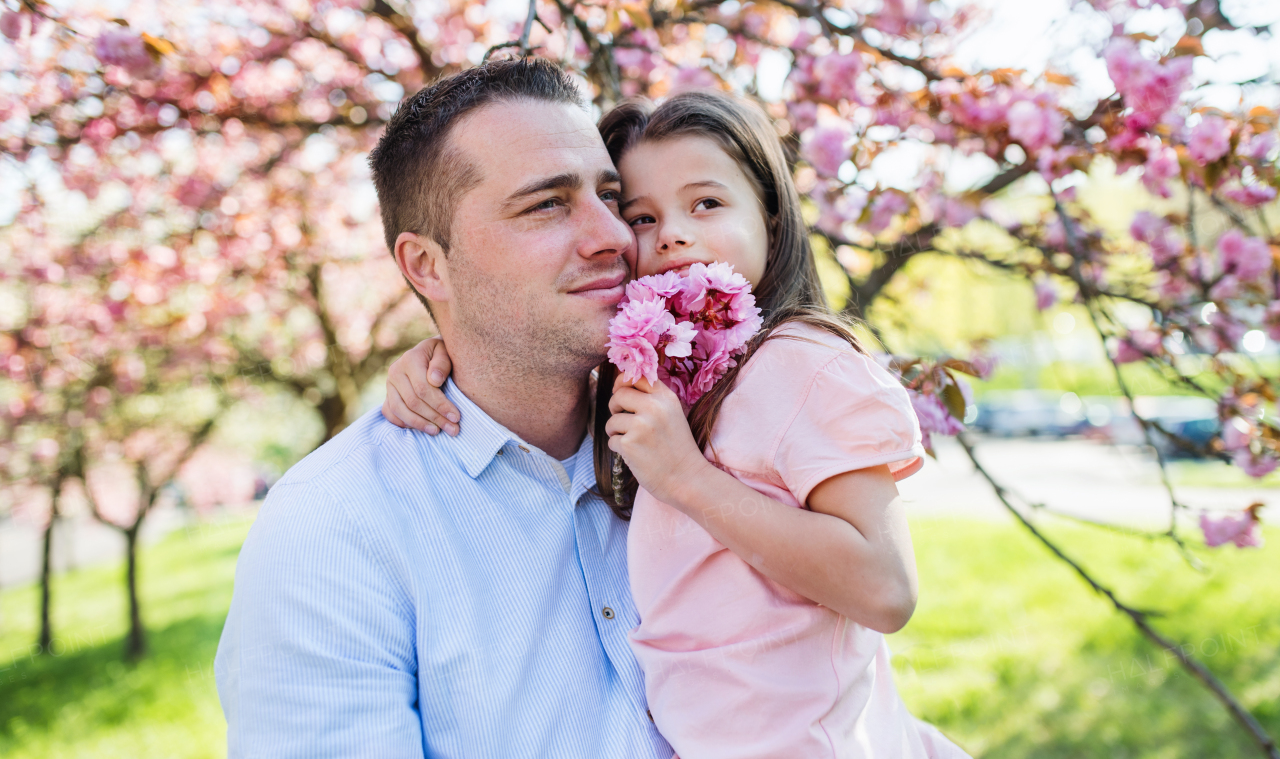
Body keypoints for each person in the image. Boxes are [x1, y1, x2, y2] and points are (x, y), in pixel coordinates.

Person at [385, 90, 970, 757]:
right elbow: (515, 347)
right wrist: (436, 356)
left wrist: (688, 479)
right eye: (640, 216)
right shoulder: (668, 367)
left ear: (771, 222)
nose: (672, 234)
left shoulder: (805, 366)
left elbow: (885, 589)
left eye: (706, 204)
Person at [214, 58, 672, 758]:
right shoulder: (334, 528)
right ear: (427, 265)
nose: (612, 236)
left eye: (611, 196)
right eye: (546, 204)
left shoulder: (705, 434)